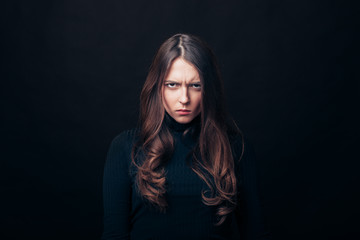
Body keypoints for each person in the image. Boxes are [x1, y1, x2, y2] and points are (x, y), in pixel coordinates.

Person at [102, 33, 271, 240]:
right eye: (172, 85)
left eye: (195, 85)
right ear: (158, 88)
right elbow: (114, 235)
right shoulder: (125, 147)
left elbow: (256, 234)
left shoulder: (237, 149)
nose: (184, 98)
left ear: (209, 90)